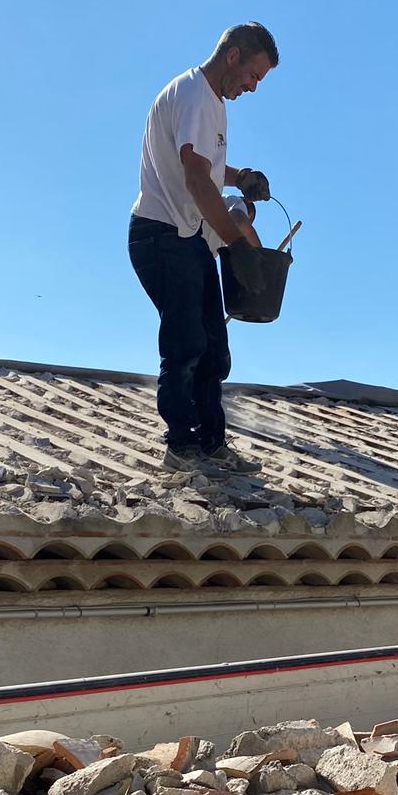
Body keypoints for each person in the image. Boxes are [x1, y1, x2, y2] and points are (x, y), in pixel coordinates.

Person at [129, 23, 277, 474]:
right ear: (233, 56)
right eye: (253, 75)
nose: (253, 87)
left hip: (185, 236)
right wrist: (238, 245)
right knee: (186, 342)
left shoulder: (211, 102)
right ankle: (181, 447)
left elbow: (205, 168)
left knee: (213, 346)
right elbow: (196, 179)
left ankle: (212, 444)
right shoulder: (194, 94)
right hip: (159, 234)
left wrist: (240, 176)